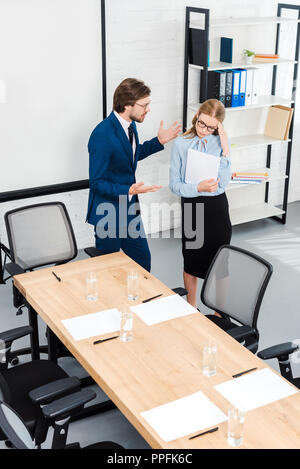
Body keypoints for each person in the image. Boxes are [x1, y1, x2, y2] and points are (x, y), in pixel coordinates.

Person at [86, 78, 181, 272]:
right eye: (144, 105)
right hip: (108, 212)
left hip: (129, 210)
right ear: (128, 105)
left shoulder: (130, 125)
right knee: (110, 270)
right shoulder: (102, 134)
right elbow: (96, 182)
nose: (148, 109)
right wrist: (127, 189)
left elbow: (131, 155)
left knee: (142, 261)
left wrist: (158, 141)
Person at [169, 99, 232, 307]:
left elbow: (224, 184)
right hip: (193, 208)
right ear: (196, 118)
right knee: (191, 262)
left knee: (221, 265)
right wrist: (197, 188)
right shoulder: (181, 144)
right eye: (201, 123)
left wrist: (224, 149)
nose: (204, 130)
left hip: (217, 210)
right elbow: (175, 185)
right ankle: (191, 307)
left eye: (211, 127)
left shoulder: (220, 144)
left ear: (219, 127)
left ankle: (219, 311)